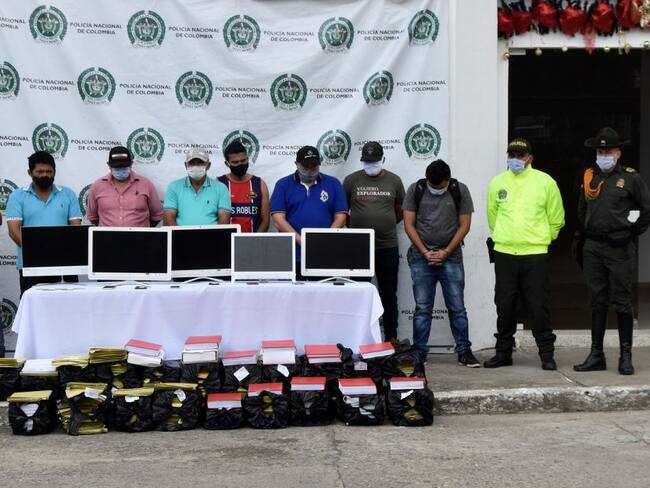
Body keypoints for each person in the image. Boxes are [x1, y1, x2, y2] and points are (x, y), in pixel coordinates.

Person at [574, 127, 650, 375]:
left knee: (622, 301)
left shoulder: (631, 178)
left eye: (608, 151)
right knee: (597, 300)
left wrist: (631, 231)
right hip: (594, 247)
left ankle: (625, 356)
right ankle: (596, 354)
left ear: (618, 153)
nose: (603, 155)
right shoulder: (590, 177)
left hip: (619, 248)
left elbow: (646, 210)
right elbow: (581, 211)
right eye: (600, 151)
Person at [484, 138, 565, 370]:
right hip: (505, 253)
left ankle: (547, 354)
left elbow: (556, 218)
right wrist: (505, 237)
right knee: (505, 305)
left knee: (538, 305)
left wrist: (542, 239)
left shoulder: (545, 182)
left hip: (535, 254)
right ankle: (503, 353)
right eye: (512, 155)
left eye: (520, 155)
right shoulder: (497, 182)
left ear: (530, 158)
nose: (515, 159)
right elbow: (492, 217)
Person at [403, 159, 479, 367]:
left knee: (457, 308)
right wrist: (425, 252)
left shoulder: (460, 190)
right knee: (422, 308)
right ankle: (419, 352)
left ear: (449, 180)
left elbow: (464, 225)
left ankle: (464, 351)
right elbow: (409, 225)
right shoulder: (416, 189)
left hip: (451, 258)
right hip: (421, 257)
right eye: (433, 186)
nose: (436, 190)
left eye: (441, 187)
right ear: (426, 179)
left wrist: (446, 251)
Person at [343, 141, 405, 344]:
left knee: (389, 294)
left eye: (374, 162)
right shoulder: (351, 180)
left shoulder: (394, 181)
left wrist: (385, 223)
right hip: (359, 248)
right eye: (367, 162)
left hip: (387, 246)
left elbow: (400, 211)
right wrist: (356, 229)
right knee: (359, 294)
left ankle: (391, 338)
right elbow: (342, 211)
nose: (371, 165)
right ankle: (357, 339)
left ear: (383, 159)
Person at [5, 151, 82, 301]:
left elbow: (76, 230)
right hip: (31, 265)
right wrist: (40, 254)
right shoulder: (17, 196)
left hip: (65, 264)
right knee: (34, 307)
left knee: (68, 306)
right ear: (30, 173)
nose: (45, 175)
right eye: (40, 172)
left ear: (54, 172)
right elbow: (14, 231)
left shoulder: (68, 194)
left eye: (49, 171)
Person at [270, 146, 348, 278]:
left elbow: (341, 217)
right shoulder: (283, 184)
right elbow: (278, 219)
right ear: (296, 164)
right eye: (306, 167)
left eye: (314, 166)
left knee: (325, 290)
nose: (310, 170)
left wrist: (324, 239)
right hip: (292, 254)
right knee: (292, 291)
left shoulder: (333, 183)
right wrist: (301, 241)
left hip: (325, 252)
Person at [86, 146, 163, 227]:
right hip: (106, 235)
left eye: (124, 167)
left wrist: (142, 230)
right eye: (117, 167)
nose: (120, 170)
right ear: (109, 165)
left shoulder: (146, 184)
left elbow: (157, 215)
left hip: (139, 234)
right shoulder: (97, 186)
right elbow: (92, 217)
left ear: (131, 164)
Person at [163, 148, 231, 226]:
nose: (195, 166)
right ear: (186, 165)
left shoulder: (221, 188)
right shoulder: (174, 187)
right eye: (191, 163)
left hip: (212, 234)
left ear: (208, 165)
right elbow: (168, 219)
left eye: (200, 163)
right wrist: (179, 234)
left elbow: (224, 222)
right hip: (179, 234)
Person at [217, 140, 269, 232]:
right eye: (235, 162)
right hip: (226, 239)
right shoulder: (219, 183)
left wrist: (254, 239)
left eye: (243, 160)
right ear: (227, 163)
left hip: (253, 239)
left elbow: (265, 220)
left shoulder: (260, 184)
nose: (240, 164)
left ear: (247, 159)